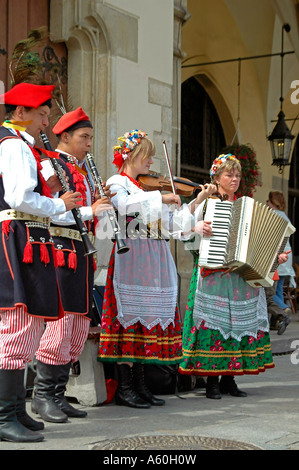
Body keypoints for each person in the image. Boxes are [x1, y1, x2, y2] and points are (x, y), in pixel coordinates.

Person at [97, 129, 215, 408]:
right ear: (131, 156)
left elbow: (174, 226)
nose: (151, 162)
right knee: (130, 321)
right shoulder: (118, 182)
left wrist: (195, 201)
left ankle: (140, 385)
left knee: (143, 323)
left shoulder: (146, 187)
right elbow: (123, 207)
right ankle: (125, 388)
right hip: (134, 256)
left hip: (155, 258)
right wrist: (160, 198)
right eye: (147, 156)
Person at [0, 83, 82, 442]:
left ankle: (16, 409)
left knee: (29, 322)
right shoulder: (15, 144)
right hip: (17, 233)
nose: (46, 124)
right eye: (42, 115)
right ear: (21, 113)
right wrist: (59, 205)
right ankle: (4, 415)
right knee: (17, 322)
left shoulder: (23, 145)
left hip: (28, 234)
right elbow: (19, 196)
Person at [179, 154, 289, 399]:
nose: (234, 179)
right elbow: (185, 233)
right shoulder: (205, 203)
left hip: (239, 279)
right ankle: (212, 382)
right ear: (216, 177)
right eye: (229, 174)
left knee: (237, 326)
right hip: (213, 276)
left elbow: (256, 245)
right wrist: (198, 229)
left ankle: (229, 380)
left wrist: (274, 258)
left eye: (237, 175)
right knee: (216, 328)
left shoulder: (245, 207)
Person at [31, 107, 113, 423]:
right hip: (59, 248)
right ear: (64, 136)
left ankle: (58, 393)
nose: (89, 143)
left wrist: (102, 208)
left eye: (90, 137)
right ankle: (42, 396)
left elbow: (88, 213)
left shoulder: (83, 170)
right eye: (84, 137)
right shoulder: (49, 165)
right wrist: (92, 211)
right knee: (62, 321)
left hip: (81, 251)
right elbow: (51, 211)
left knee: (78, 324)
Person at [266, 191, 295, 332]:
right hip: (286, 256)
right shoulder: (285, 216)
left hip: (278, 256)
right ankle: (275, 323)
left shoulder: (274, 215)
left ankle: (283, 310)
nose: (266, 203)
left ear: (272, 202)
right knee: (278, 290)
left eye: (268, 201)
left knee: (272, 293)